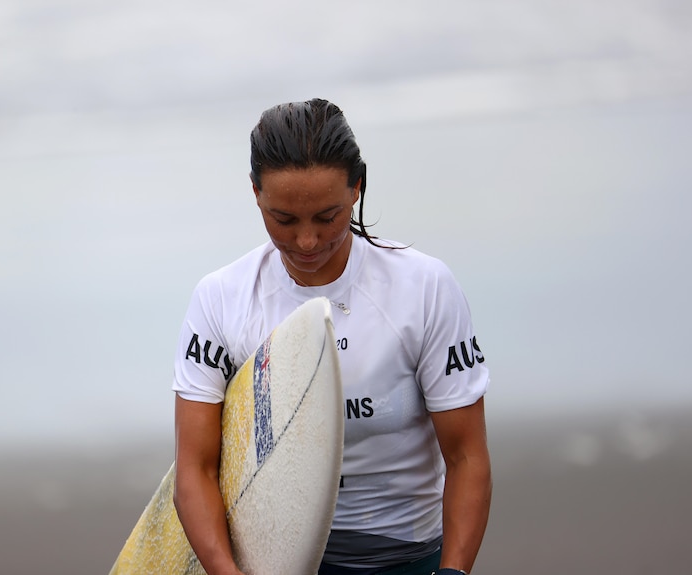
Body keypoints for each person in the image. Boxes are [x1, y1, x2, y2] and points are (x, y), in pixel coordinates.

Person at [172, 98, 492, 575]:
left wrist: (453, 572)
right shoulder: (222, 300)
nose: (306, 242)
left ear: (358, 186)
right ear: (255, 192)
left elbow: (467, 456)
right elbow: (194, 469)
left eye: (327, 216)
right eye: (284, 219)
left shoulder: (422, 288)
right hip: (268, 557)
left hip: (405, 553)